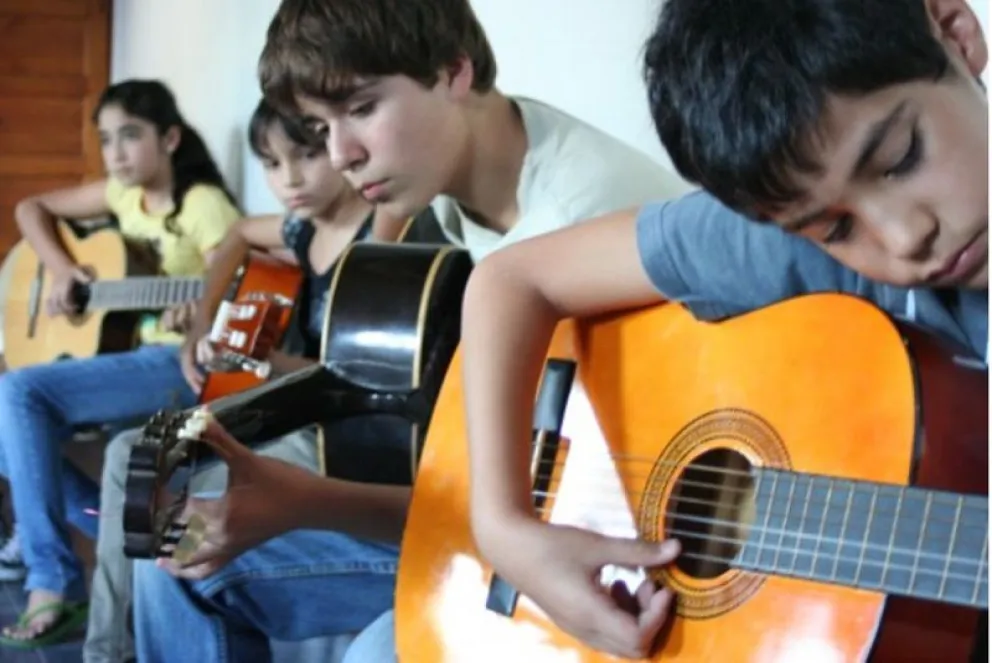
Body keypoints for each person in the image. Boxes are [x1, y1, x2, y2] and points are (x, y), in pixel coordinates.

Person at [129, 0, 690, 661]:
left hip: (604, 556)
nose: (342, 154)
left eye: (361, 109)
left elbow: (555, 513)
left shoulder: (575, 220)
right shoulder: (478, 171)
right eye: (321, 124)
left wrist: (301, 499)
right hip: (512, 518)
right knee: (173, 553)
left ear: (454, 72)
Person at [460, 0, 988, 658]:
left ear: (958, 35)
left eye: (901, 156)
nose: (907, 237)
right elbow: (510, 281)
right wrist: (503, 525)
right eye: (837, 227)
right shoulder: (792, 238)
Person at [82, 97, 375, 663]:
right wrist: (200, 328)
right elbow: (239, 232)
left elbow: (348, 379)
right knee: (131, 450)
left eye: (307, 156)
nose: (288, 179)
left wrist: (260, 364)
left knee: (163, 489)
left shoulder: (375, 234)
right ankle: (107, 650)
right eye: (270, 163)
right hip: (291, 398)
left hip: (333, 425)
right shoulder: (300, 229)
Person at [0, 79, 241, 649]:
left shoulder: (203, 205)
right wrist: (61, 269)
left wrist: (202, 314)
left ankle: (52, 579)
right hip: (127, 355)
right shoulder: (120, 196)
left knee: (18, 393)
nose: (116, 153)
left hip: (174, 363)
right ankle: (107, 534)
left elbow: (232, 282)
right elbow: (28, 208)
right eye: (106, 139)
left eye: (130, 136)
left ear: (171, 138)